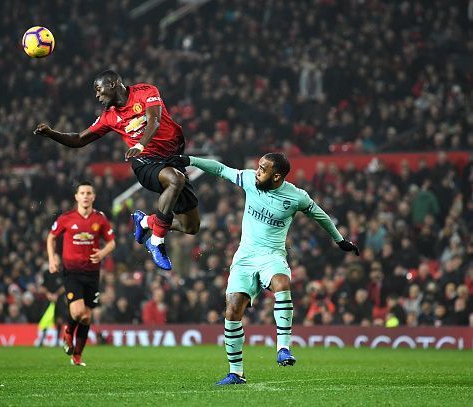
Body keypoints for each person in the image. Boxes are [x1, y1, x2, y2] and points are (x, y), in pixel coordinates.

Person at [166, 153, 359, 385]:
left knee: (282, 282)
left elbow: (320, 216)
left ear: (276, 176)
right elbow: (220, 168)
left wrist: (339, 240)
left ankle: (283, 348)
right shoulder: (249, 180)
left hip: (272, 256)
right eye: (258, 167)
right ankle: (236, 373)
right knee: (232, 311)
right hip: (245, 257)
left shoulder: (296, 197)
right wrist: (190, 160)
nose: (257, 171)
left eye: (263, 169)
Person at [35, 70, 200, 271]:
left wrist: (140, 143)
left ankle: (146, 221)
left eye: (98, 89)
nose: (97, 95)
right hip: (145, 162)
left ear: (112, 84)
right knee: (175, 180)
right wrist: (52, 134)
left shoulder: (146, 91)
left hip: (172, 159)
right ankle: (156, 242)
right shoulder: (108, 117)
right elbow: (79, 139)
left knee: (190, 226)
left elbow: (154, 120)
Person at [47, 181, 116, 366]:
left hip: (92, 273)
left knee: (86, 317)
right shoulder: (66, 218)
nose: (85, 196)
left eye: (89, 193)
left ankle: (77, 356)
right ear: (76, 197)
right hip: (72, 272)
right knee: (77, 312)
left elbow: (111, 242)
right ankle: (68, 332)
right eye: (82, 193)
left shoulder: (100, 219)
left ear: (93, 197)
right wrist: (52, 259)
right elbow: (51, 237)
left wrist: (102, 253)